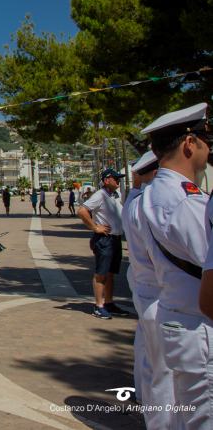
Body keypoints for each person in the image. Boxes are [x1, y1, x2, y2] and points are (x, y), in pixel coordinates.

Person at [138, 102, 212, 428]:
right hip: (199, 325)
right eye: (205, 139)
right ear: (188, 143)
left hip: (177, 316)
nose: (209, 147)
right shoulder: (186, 200)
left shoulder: (152, 194)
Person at [121, 150, 172, 427]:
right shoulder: (152, 202)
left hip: (145, 284)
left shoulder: (135, 200)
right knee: (165, 370)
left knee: (149, 354)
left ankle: (144, 398)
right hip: (159, 288)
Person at [78, 167, 126, 319]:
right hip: (105, 239)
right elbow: (82, 211)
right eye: (116, 178)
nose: (118, 180)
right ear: (107, 180)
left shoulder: (115, 195)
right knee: (101, 274)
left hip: (115, 239)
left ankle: (109, 303)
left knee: (111, 274)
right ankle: (98, 306)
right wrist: (95, 227)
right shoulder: (100, 195)